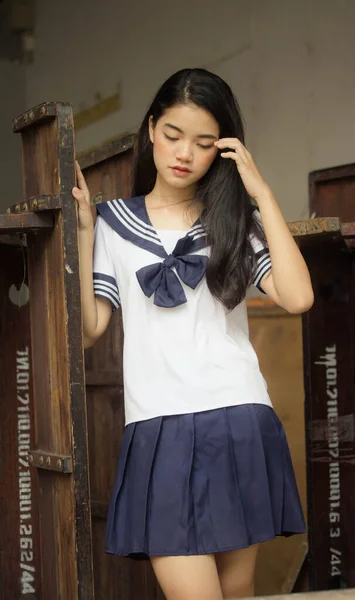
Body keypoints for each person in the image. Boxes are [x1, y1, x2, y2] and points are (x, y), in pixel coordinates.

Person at [73, 67, 314, 600]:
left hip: (238, 418)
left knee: (237, 592)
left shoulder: (232, 219)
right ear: (151, 130)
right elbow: (89, 331)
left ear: (222, 151)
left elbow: (298, 297)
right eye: (173, 135)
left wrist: (261, 195)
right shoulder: (114, 223)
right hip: (159, 429)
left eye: (204, 143)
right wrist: (85, 231)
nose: (184, 153)